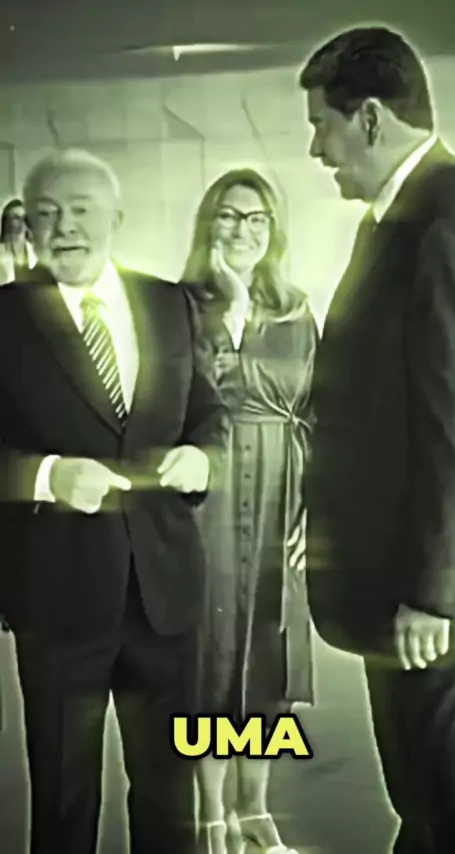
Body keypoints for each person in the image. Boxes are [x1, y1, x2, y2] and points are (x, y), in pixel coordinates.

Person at [0, 148, 228, 854]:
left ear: (116, 219)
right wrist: (44, 476)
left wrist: (204, 457)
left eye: (81, 211)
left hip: (165, 592)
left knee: (169, 794)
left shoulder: (167, 303)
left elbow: (207, 412)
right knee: (65, 799)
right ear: (28, 228)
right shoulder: (4, 318)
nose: (64, 227)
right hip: (59, 597)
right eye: (46, 214)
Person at [300, 26, 455, 854]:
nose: (316, 149)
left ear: (369, 117)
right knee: (424, 808)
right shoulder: (398, 218)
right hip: (398, 591)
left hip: (431, 605)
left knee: (452, 812)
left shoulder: (451, 214)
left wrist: (435, 591)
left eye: (323, 125)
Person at [182, 169, 316, 854]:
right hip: (208, 490)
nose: (243, 230)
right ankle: (211, 813)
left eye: (257, 218)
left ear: (274, 230)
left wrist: (315, 507)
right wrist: (229, 304)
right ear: (209, 224)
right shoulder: (182, 307)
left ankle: (255, 807)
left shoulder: (297, 311)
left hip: (280, 492)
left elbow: (319, 412)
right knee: (209, 651)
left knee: (268, 652)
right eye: (230, 216)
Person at [0, 197, 35, 284]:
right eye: (16, 217)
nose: (22, 222)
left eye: (25, 218)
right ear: (6, 221)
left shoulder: (35, 251)